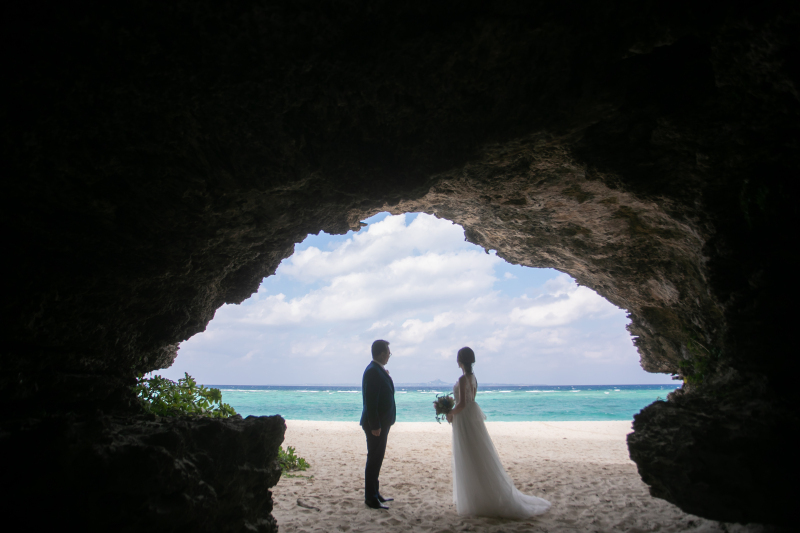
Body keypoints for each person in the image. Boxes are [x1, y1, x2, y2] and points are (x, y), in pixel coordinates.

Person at [446, 346, 551, 518]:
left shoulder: (463, 378)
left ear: (460, 360)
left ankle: (475, 498)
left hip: (464, 418)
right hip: (471, 417)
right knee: (476, 453)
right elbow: (472, 399)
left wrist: (450, 412)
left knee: (467, 453)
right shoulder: (473, 378)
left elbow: (463, 403)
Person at [359, 339, 397, 510]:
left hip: (382, 423)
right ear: (382, 353)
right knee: (374, 459)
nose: (389, 355)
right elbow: (370, 401)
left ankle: (376, 492)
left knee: (377, 458)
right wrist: (375, 425)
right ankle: (371, 497)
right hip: (376, 424)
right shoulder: (373, 371)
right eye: (388, 352)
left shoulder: (377, 370)